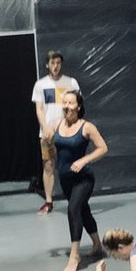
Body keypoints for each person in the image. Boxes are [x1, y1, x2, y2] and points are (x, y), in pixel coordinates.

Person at [53, 89, 107, 271]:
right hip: (65, 179)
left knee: (73, 209)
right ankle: (97, 245)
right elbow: (48, 143)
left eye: (70, 103)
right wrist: (45, 140)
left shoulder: (86, 127)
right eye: (64, 103)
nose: (66, 106)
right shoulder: (57, 125)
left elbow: (103, 148)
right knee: (83, 211)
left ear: (79, 106)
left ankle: (74, 256)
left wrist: (84, 160)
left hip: (83, 179)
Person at [31, 50, 80, 215]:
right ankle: (49, 202)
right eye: (52, 63)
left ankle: (75, 199)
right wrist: (45, 127)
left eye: (58, 63)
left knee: (70, 165)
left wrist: (64, 125)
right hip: (47, 133)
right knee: (49, 165)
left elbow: (77, 107)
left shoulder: (71, 83)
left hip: (68, 132)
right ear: (47, 65)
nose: (55, 66)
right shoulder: (40, 85)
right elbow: (38, 109)